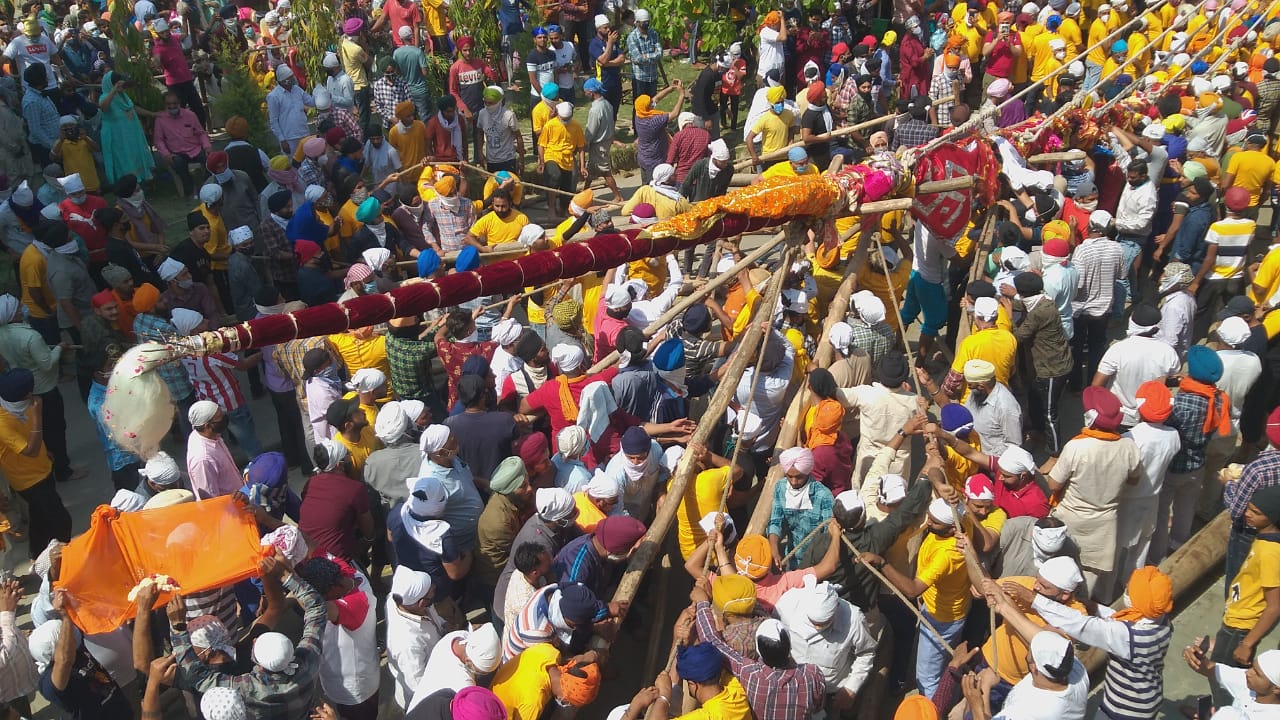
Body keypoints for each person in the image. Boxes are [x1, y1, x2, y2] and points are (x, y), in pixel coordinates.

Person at [0, 368, 71, 560]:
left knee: (40, 519)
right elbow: (30, 451)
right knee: (61, 521)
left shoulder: (20, 405)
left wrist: (45, 451)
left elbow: (30, 435)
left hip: (43, 469)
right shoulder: (3, 421)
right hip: (29, 481)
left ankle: (36, 555)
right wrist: (38, 414)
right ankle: (64, 558)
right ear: (27, 393)